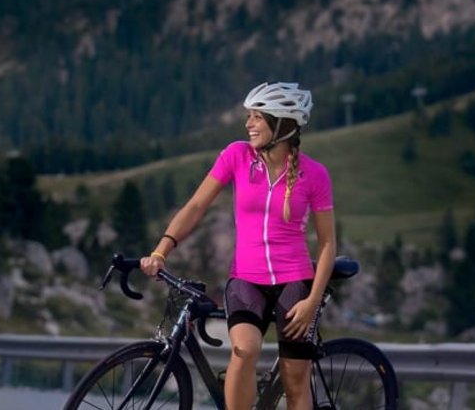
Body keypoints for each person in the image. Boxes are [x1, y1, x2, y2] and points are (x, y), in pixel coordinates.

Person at [140, 82, 336, 410]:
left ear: (283, 124)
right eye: (249, 116)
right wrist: (161, 250)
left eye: (257, 117)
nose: (248, 124)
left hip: (295, 283)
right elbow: (195, 207)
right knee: (244, 350)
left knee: (295, 379)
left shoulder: (314, 175)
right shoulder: (237, 156)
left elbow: (328, 243)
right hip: (246, 278)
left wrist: (313, 301)